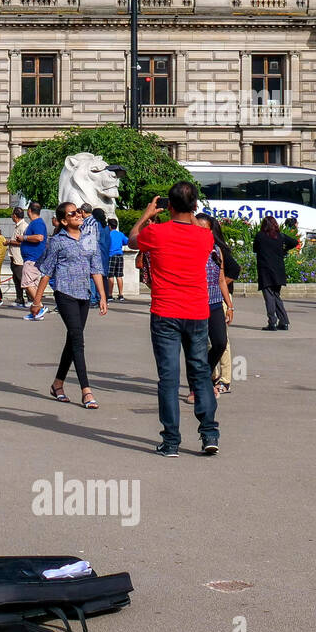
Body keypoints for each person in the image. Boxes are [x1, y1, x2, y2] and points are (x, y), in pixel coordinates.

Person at [130, 183, 220, 457]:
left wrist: (146, 215)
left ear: (168, 205)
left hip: (165, 312)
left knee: (168, 378)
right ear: (194, 207)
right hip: (196, 312)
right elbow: (194, 224)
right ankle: (208, 434)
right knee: (201, 373)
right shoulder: (204, 237)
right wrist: (189, 211)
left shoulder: (155, 233)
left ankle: (171, 441)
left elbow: (132, 239)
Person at [30, 202, 107, 407]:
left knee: (72, 341)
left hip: (84, 294)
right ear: (64, 220)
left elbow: (96, 268)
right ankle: (86, 391)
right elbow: (46, 271)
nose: (78, 215)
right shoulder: (57, 241)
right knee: (78, 341)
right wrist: (37, 301)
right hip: (64, 293)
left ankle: (57, 384)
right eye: (73, 213)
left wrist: (102, 296)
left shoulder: (90, 239)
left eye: (79, 212)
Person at [191, 213, 236, 403]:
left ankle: (205, 375)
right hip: (195, 303)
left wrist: (230, 306)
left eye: (205, 228)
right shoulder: (190, 249)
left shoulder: (216, 250)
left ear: (211, 231)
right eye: (198, 227)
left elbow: (221, 278)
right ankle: (197, 388)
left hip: (216, 303)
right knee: (197, 347)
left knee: (220, 343)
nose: (201, 231)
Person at [253, 214, 297, 330]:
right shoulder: (280, 236)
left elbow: (255, 249)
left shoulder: (260, 236)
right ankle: (284, 322)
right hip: (278, 270)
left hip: (265, 270)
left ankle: (272, 322)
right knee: (276, 295)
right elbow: (294, 242)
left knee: (269, 297)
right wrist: (284, 250)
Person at [20, 201, 51, 319]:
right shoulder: (37, 223)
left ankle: (40, 307)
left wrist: (24, 237)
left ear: (29, 211)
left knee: (28, 283)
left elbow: (39, 237)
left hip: (33, 258)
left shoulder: (37, 223)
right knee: (33, 284)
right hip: (33, 257)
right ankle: (36, 312)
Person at [6, 206, 29, 307]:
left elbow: (24, 242)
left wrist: (10, 242)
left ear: (15, 216)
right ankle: (19, 299)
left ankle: (31, 298)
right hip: (14, 258)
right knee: (16, 280)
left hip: (20, 258)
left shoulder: (24, 226)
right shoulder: (17, 226)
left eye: (12, 215)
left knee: (23, 280)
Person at [106, 216, 129, 301]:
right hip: (119, 255)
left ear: (109, 226)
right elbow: (127, 241)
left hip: (111, 255)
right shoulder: (120, 234)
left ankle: (110, 294)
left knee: (110, 275)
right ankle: (121, 294)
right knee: (119, 275)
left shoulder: (108, 234)